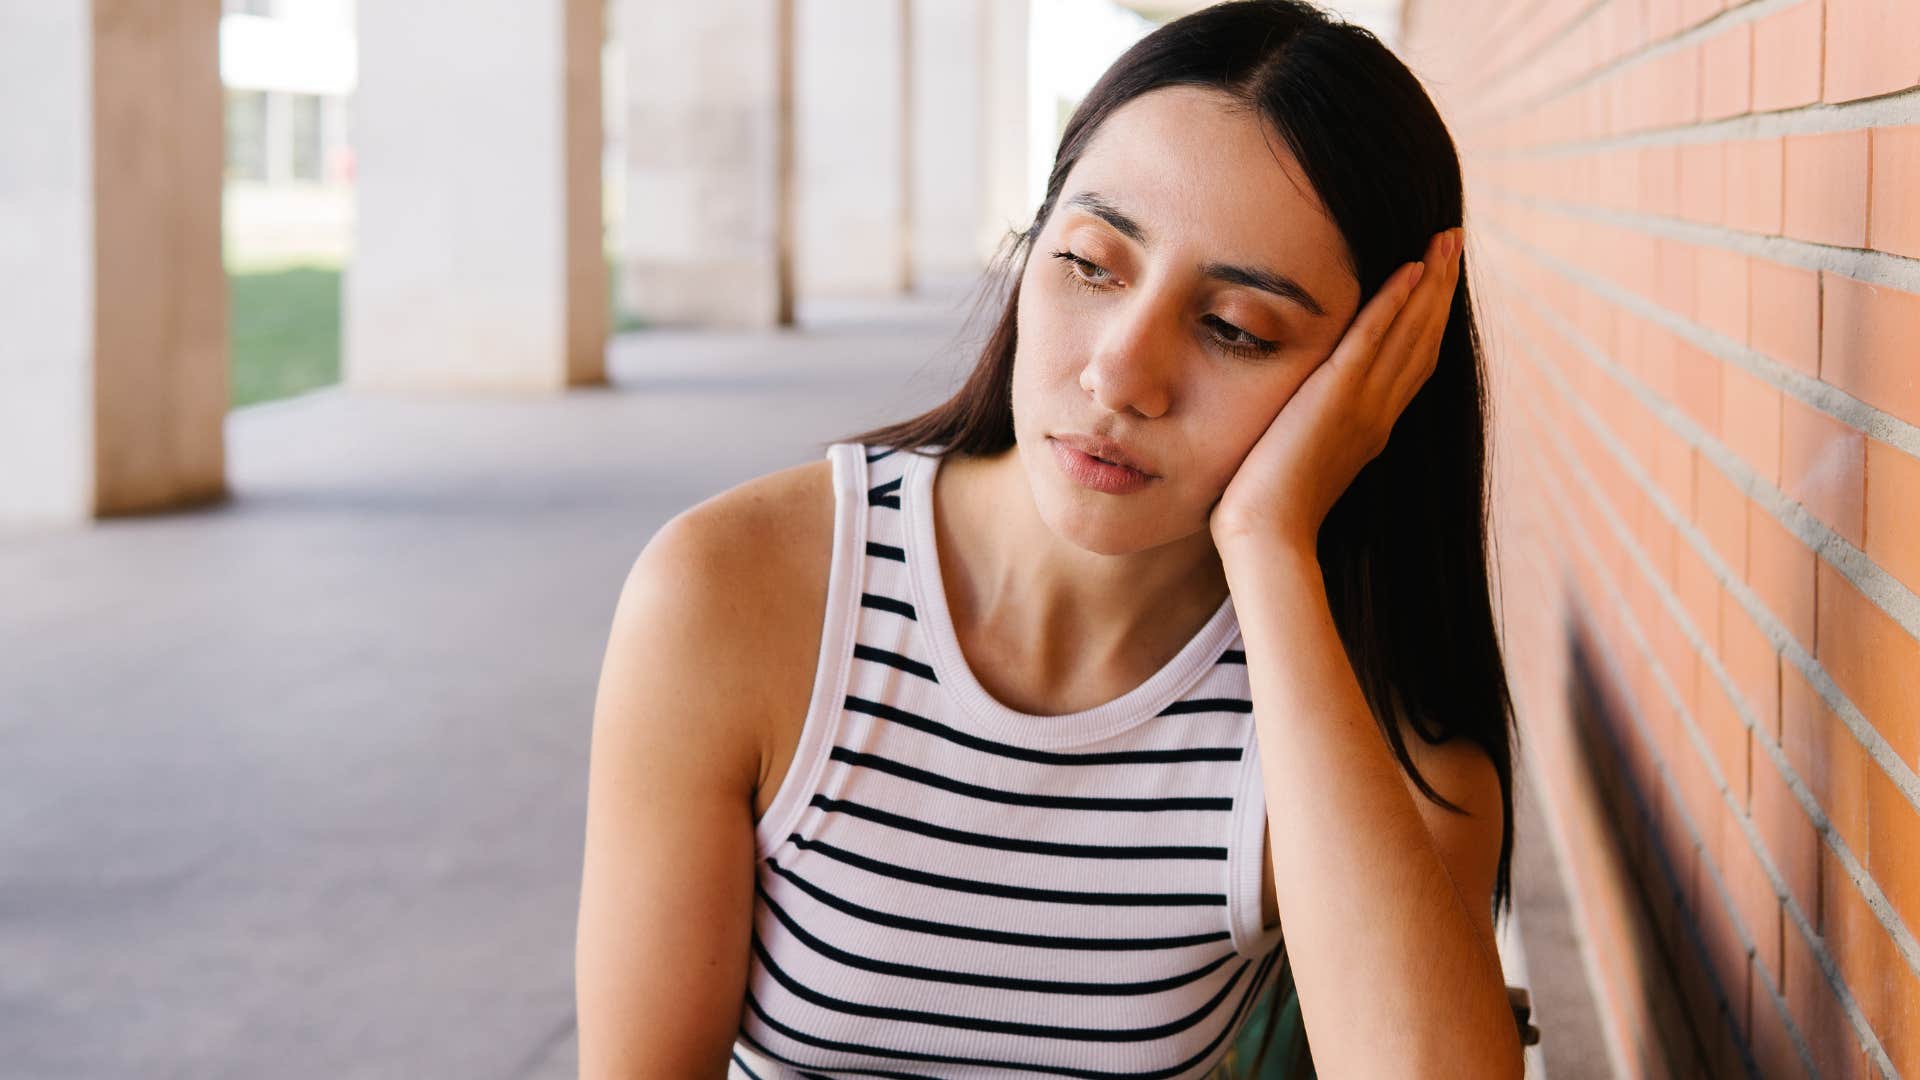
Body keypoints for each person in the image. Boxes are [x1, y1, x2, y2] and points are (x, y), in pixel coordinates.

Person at [574, 1, 1526, 1076]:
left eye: (1236, 330)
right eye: (1090, 262)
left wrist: (1267, 542)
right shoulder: (734, 594)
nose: (1120, 371)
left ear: (1371, 386)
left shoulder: (1359, 727)